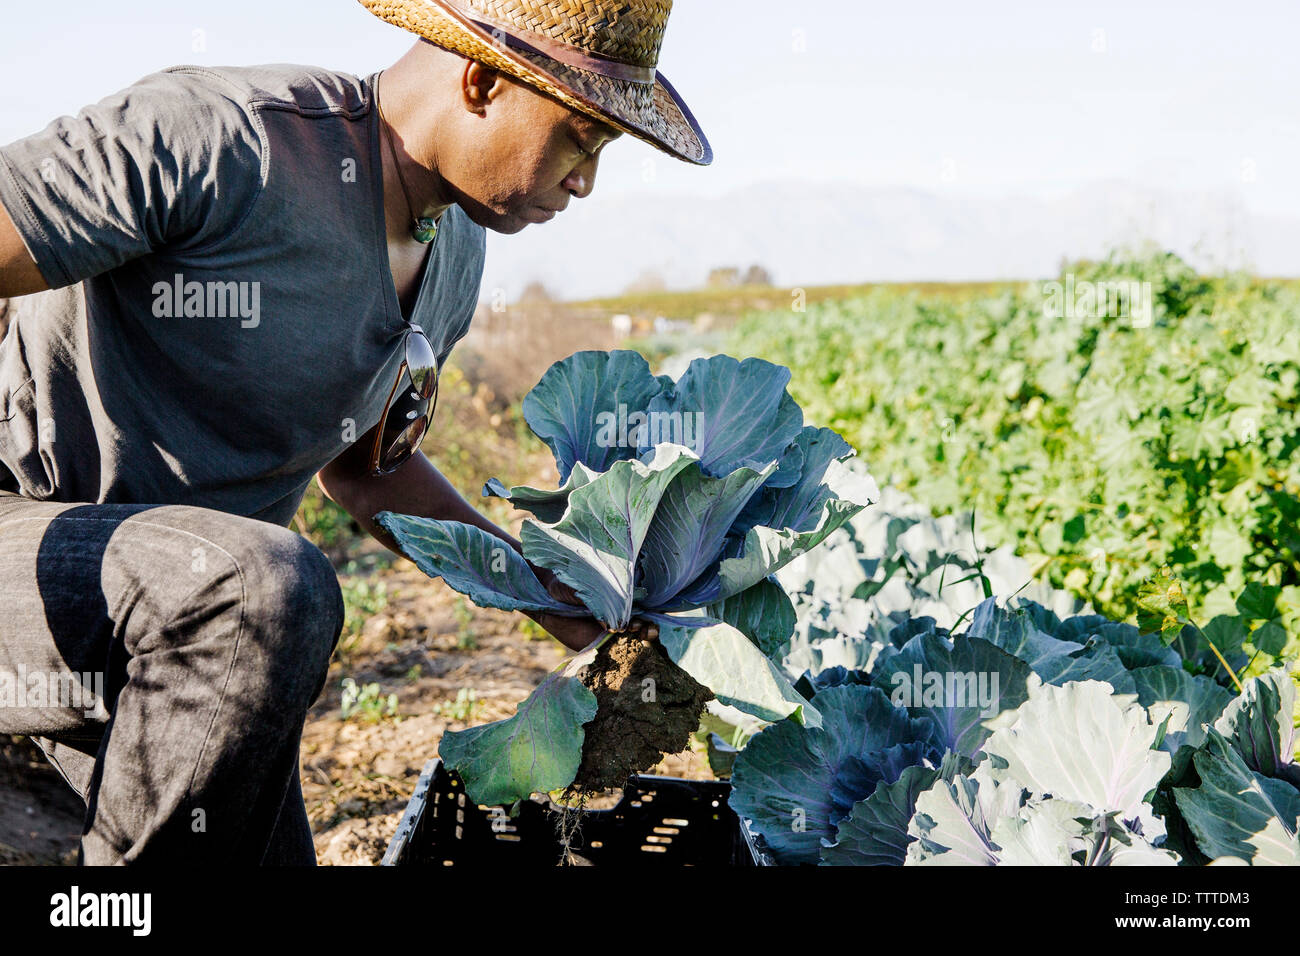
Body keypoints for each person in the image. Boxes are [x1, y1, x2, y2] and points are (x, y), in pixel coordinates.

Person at [0, 0, 711, 865]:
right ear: (483, 80)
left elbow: (370, 473)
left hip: (178, 623)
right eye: (580, 140)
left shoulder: (453, 253)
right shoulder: (224, 140)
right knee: (265, 585)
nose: (586, 182)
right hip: (46, 550)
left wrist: (580, 613)